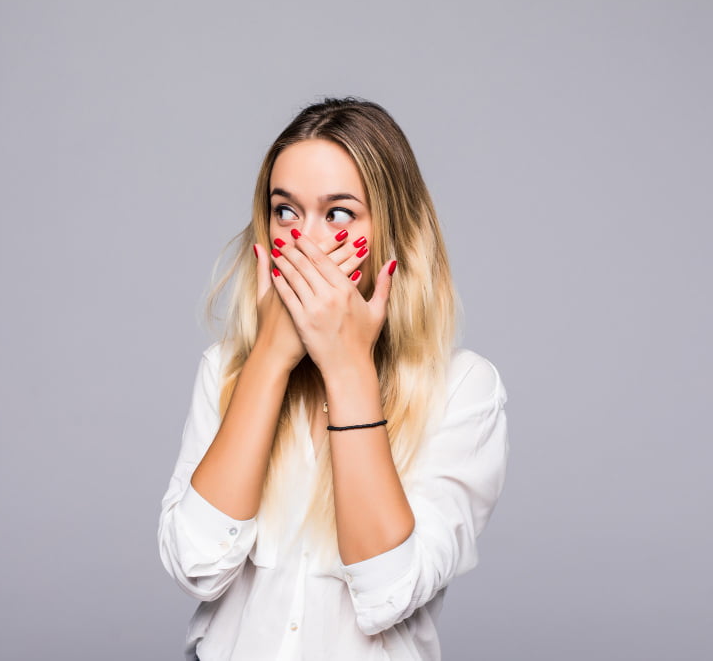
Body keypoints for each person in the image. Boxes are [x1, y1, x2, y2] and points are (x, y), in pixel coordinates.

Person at [157, 96, 509, 660]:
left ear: (392, 230)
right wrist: (270, 358)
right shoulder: (226, 371)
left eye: (339, 213)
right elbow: (195, 566)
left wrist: (348, 368)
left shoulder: (464, 391)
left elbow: (389, 591)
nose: (304, 241)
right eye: (285, 211)